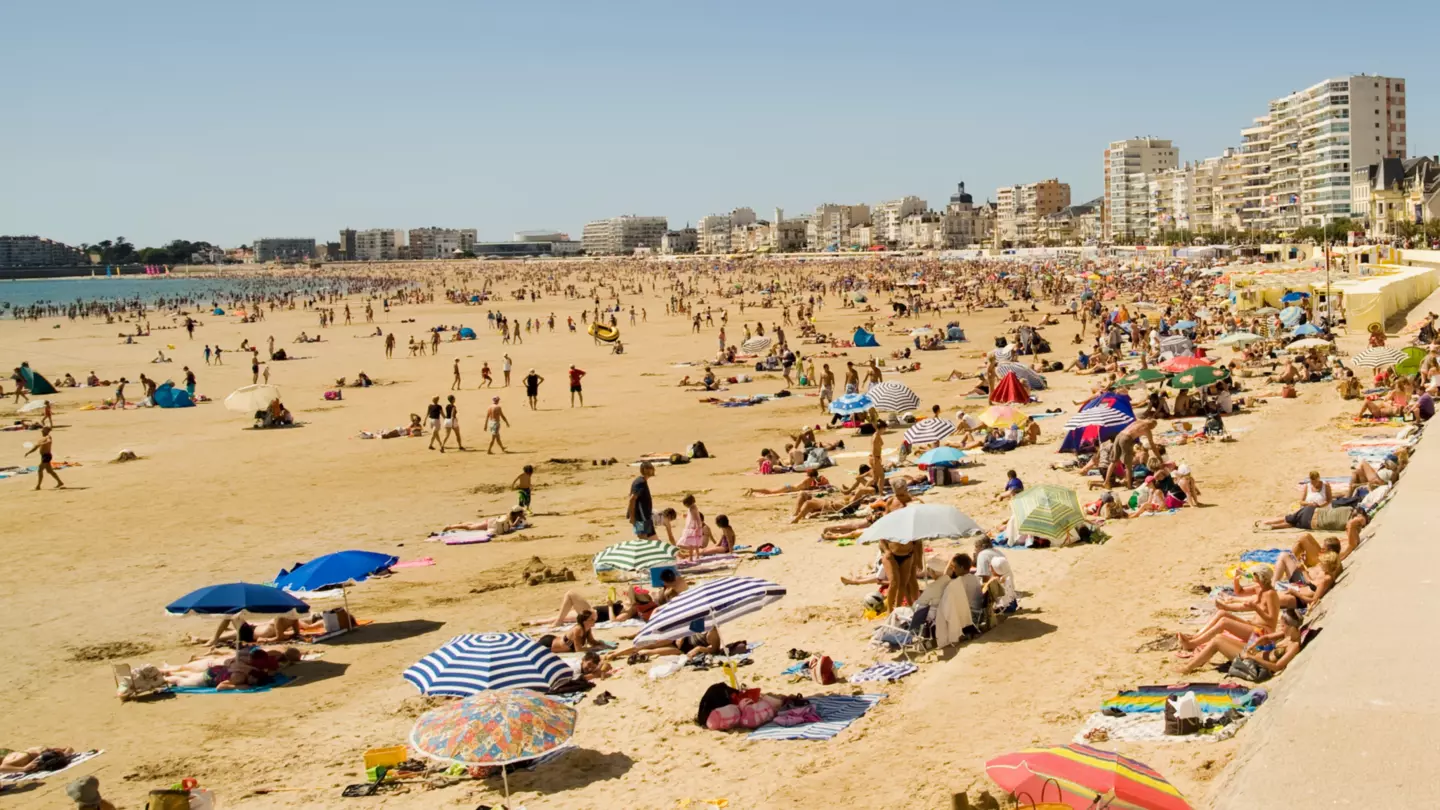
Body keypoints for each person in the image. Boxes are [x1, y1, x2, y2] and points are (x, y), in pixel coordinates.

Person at [974, 537, 1018, 613]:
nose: (975, 550)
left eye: (976, 547)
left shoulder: (982, 554)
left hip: (998, 593)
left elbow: (985, 579)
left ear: (981, 546)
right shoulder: (998, 551)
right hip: (1009, 589)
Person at [535, 610, 603, 654]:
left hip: (555, 639)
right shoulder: (578, 630)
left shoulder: (587, 628)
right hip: (550, 644)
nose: (594, 620)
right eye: (591, 619)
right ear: (585, 621)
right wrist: (594, 649)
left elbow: (592, 641)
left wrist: (601, 644)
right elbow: (578, 650)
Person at [25, 426, 64, 490]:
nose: (42, 430)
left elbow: (49, 441)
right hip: (43, 456)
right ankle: (60, 482)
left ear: (47, 431)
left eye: (44, 429)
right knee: (49, 471)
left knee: (40, 470)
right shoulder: (41, 438)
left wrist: (42, 443)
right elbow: (35, 447)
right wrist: (28, 452)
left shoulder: (48, 437)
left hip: (47, 456)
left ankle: (38, 486)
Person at [744, 469, 830, 497]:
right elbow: (808, 488)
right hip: (789, 488)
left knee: (771, 491)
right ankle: (753, 490)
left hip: (789, 486)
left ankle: (754, 490)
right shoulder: (809, 479)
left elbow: (808, 487)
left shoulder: (808, 479)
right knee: (770, 492)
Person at [627, 461, 657, 539]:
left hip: (646, 517)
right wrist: (632, 517)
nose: (652, 471)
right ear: (645, 470)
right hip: (641, 518)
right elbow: (632, 500)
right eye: (650, 469)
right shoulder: (640, 483)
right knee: (644, 540)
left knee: (654, 541)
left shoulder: (642, 481)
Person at [677, 494, 706, 562]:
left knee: (690, 543)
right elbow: (695, 516)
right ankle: (698, 555)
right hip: (696, 526)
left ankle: (691, 557)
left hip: (693, 526)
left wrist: (696, 527)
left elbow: (695, 518)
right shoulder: (694, 507)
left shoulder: (692, 508)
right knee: (695, 542)